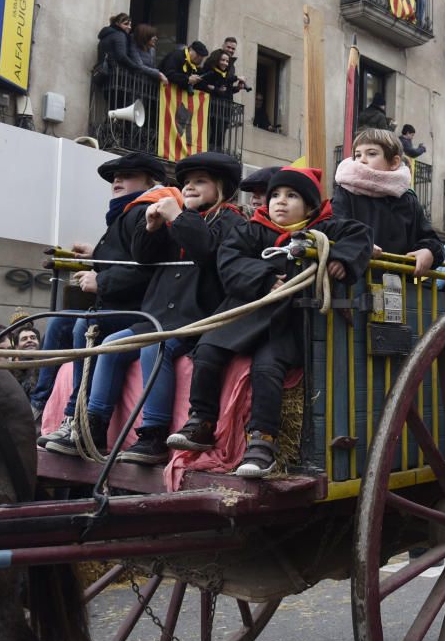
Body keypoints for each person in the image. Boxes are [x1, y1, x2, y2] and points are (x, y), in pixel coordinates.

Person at [167, 167, 371, 476]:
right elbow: (229, 259)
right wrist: (262, 278)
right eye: (275, 195)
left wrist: (340, 258)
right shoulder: (252, 229)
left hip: (287, 321)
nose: (280, 202)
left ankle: (263, 442)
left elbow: (360, 237)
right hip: (247, 312)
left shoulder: (326, 228)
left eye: (292, 196)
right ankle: (202, 421)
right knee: (208, 349)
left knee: (267, 366)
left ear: (311, 205)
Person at [46, 153, 246, 463]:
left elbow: (206, 249)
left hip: (195, 317)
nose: (190, 187)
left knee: (157, 348)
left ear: (222, 188)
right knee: (112, 343)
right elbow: (144, 258)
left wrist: (178, 216)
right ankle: (93, 427)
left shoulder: (231, 219)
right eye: (187, 182)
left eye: (200, 182)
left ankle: (153, 435)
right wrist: (151, 227)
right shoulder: (177, 218)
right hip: (159, 315)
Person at [34, 153, 164, 443]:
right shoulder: (126, 212)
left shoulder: (146, 212)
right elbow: (126, 259)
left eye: (127, 175)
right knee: (58, 324)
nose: (117, 180)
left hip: (140, 310)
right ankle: (39, 405)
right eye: (114, 177)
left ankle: (79, 416)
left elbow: (149, 270)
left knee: (83, 326)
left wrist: (101, 280)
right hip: (117, 306)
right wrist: (97, 256)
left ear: (149, 181)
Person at [333, 128, 444, 277]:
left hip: (401, 288)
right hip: (355, 285)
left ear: (393, 162)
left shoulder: (408, 199)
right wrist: (356, 245)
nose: (362, 160)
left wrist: (429, 251)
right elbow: (334, 228)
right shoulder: (345, 192)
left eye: (371, 154)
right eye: (357, 155)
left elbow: (429, 238)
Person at [12, 327, 40, 397]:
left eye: (33, 338)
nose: (29, 340)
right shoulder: (11, 371)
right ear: (16, 347)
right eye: (24, 339)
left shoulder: (48, 368)